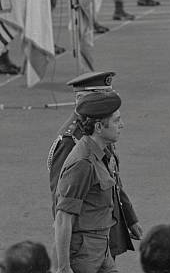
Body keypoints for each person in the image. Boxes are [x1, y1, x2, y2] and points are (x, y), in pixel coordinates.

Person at [47, 71, 141, 262]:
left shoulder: (97, 128)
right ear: (83, 99)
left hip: (104, 229)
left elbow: (111, 177)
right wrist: (67, 255)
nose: (108, 101)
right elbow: (61, 200)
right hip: (84, 241)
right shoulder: (71, 140)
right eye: (102, 95)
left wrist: (130, 217)